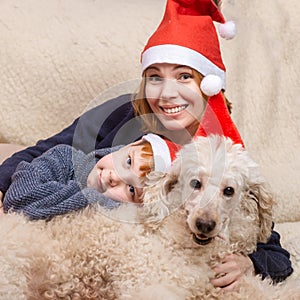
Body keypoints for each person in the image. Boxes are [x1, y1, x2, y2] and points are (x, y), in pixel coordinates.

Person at [0, 0, 293, 290]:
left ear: (208, 86)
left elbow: (272, 248)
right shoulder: (123, 114)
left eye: (184, 77)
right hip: (64, 226)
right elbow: (43, 152)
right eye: (155, 78)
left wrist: (251, 263)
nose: (167, 94)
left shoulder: (220, 152)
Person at [3, 133, 172, 220]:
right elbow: (18, 199)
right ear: (129, 145)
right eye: (128, 161)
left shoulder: (111, 218)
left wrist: (95, 197)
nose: (114, 177)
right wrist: (90, 196)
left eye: (131, 189)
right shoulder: (63, 156)